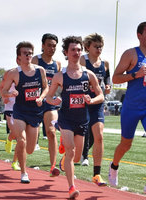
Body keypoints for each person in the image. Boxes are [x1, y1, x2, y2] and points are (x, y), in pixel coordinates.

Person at [108, 21, 146, 197]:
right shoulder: (130, 54)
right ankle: (114, 165)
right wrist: (135, 74)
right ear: (139, 35)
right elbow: (115, 78)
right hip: (131, 107)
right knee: (126, 144)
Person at [46, 35, 104, 198]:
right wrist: (55, 100)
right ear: (66, 52)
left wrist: (91, 100)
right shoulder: (60, 75)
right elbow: (49, 97)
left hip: (82, 120)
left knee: (76, 156)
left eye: (79, 49)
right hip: (66, 119)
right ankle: (72, 187)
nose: (76, 52)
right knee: (71, 150)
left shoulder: (89, 74)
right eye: (73, 50)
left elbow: (101, 96)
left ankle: (63, 162)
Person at [2, 41, 48, 183]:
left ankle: (22, 160)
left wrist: (41, 97)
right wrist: (11, 94)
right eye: (24, 53)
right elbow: (3, 90)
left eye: (29, 53)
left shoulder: (40, 71)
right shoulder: (13, 73)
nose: (27, 55)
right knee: (21, 140)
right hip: (20, 111)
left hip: (35, 112)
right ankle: (23, 173)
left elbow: (46, 88)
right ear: (19, 56)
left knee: (30, 149)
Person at [79, 33, 111, 187]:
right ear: (87, 47)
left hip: (97, 103)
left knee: (99, 136)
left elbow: (107, 78)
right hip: (82, 103)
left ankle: (97, 174)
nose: (99, 49)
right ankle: (69, 156)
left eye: (101, 47)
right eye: (96, 46)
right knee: (78, 140)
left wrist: (108, 85)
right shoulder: (83, 60)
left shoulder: (105, 63)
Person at [31, 33, 62, 175]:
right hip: (34, 102)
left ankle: (53, 166)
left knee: (51, 132)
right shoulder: (35, 60)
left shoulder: (58, 64)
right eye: (49, 45)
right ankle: (17, 157)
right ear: (42, 46)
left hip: (50, 102)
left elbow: (60, 82)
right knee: (30, 144)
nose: (52, 48)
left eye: (54, 45)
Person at [0, 58, 21, 172]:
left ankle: (15, 162)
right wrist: (4, 98)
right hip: (10, 107)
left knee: (20, 136)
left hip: (22, 108)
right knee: (17, 134)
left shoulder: (32, 73)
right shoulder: (9, 73)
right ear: (18, 59)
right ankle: (9, 138)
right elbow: (1, 87)